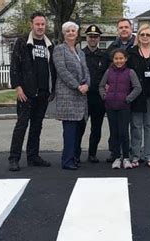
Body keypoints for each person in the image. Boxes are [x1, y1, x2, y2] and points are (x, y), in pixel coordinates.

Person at [8, 12, 56, 171]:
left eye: (43, 24)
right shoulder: (22, 43)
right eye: (37, 24)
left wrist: (52, 89)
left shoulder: (50, 45)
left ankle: (33, 156)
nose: (40, 27)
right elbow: (15, 66)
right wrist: (18, 87)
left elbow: (52, 69)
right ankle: (14, 158)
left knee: (37, 126)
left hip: (43, 94)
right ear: (32, 25)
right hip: (26, 93)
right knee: (21, 126)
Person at [52, 21, 90, 170]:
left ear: (77, 33)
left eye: (73, 30)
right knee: (69, 131)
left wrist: (87, 84)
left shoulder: (80, 52)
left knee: (79, 129)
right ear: (64, 33)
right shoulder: (59, 50)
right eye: (68, 31)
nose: (71, 33)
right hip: (68, 95)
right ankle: (67, 160)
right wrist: (77, 85)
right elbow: (62, 71)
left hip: (81, 95)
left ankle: (75, 157)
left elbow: (86, 71)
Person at [99, 48, 142, 169]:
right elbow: (101, 86)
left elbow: (137, 88)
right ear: (113, 59)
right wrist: (105, 96)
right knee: (114, 132)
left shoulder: (130, 72)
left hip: (124, 107)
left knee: (124, 132)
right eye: (116, 58)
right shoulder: (109, 72)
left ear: (126, 59)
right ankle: (117, 157)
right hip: (110, 106)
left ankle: (126, 157)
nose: (119, 61)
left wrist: (128, 99)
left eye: (121, 58)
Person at [127, 24, 150, 167]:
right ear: (138, 36)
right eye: (142, 35)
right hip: (137, 95)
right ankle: (135, 155)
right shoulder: (132, 53)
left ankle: (148, 155)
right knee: (136, 126)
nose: (145, 37)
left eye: (148, 35)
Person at [105, 18, 136, 163]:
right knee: (115, 129)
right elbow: (107, 70)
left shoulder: (137, 44)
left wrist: (129, 97)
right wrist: (105, 91)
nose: (124, 29)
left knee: (132, 127)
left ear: (131, 28)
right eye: (121, 27)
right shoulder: (113, 46)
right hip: (114, 95)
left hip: (131, 92)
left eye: (126, 27)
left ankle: (131, 153)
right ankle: (115, 153)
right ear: (118, 30)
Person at [79, 24, 109, 164]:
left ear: (99, 38)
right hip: (83, 97)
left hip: (98, 97)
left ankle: (92, 154)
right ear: (86, 38)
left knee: (96, 127)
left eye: (95, 37)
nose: (93, 39)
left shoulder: (104, 56)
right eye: (90, 36)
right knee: (80, 127)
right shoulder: (80, 55)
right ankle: (76, 153)